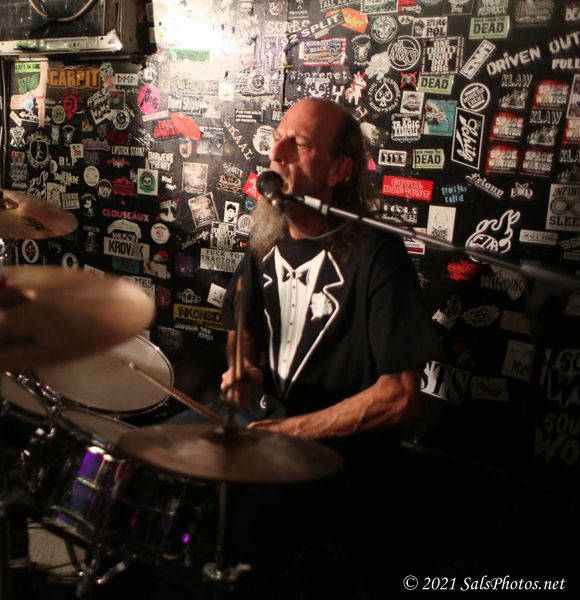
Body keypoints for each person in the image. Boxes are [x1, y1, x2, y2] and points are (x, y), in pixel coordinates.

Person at [214, 98, 442, 597]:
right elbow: (240, 326)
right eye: (277, 138)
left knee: (247, 526)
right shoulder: (265, 239)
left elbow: (401, 396)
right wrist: (244, 369)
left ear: (339, 170)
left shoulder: (377, 253)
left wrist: (290, 432)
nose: (276, 152)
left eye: (297, 144)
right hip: (269, 427)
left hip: (341, 459)